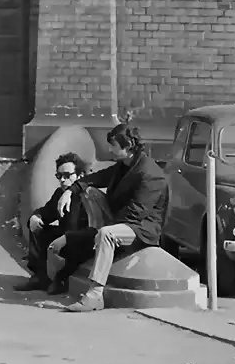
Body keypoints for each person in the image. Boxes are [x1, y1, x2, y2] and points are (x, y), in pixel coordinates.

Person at [56, 123, 169, 313]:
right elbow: (95, 178)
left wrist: (107, 229)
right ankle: (95, 235)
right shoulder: (122, 166)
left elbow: (136, 213)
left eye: (114, 146)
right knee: (88, 191)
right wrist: (70, 191)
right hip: (122, 221)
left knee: (107, 235)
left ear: (128, 147)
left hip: (141, 229)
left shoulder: (150, 174)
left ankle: (95, 295)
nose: (110, 150)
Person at [14, 152, 111, 295]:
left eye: (67, 175)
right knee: (37, 229)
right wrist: (36, 217)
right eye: (59, 176)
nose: (62, 180)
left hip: (84, 242)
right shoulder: (60, 194)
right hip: (66, 236)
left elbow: (95, 230)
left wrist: (68, 237)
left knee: (78, 248)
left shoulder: (91, 196)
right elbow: (47, 212)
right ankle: (40, 276)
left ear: (79, 175)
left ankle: (61, 278)